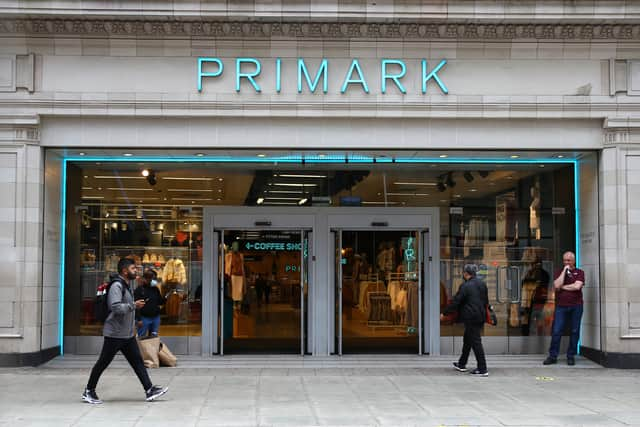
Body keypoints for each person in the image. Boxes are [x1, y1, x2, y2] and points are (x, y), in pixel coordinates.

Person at [82, 258, 168, 404]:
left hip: (127, 335)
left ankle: (149, 390)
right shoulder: (117, 286)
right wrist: (133, 305)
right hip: (115, 334)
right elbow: (115, 307)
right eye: (133, 269)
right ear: (125, 271)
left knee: (138, 362)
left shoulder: (126, 285)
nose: (136, 271)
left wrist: (134, 319)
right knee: (103, 363)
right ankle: (89, 391)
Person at [441, 264, 489, 376]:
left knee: (476, 342)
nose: (463, 274)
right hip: (480, 316)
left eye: (463, 273)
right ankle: (462, 364)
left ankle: (483, 369)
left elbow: (456, 301)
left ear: (466, 274)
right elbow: (485, 301)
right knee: (467, 340)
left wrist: (445, 313)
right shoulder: (482, 284)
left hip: (471, 317)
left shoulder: (465, 286)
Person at [544, 251, 584, 366]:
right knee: (557, 331)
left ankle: (571, 356)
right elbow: (556, 285)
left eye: (569, 260)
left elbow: (577, 287)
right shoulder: (559, 272)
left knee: (574, 331)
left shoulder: (580, 272)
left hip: (576, 306)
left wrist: (563, 287)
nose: (566, 262)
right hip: (561, 306)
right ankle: (552, 356)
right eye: (565, 260)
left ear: (574, 261)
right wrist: (564, 272)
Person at [134, 269, 165, 338]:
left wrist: (166, 296)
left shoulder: (155, 289)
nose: (152, 281)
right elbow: (136, 306)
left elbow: (160, 302)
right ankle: (140, 349)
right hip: (144, 318)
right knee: (141, 337)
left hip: (155, 317)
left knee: (154, 338)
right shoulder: (139, 290)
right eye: (150, 278)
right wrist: (138, 319)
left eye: (153, 278)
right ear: (145, 278)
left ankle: (152, 349)